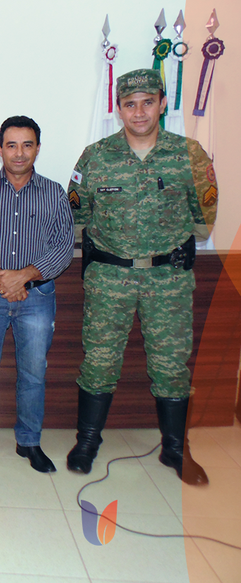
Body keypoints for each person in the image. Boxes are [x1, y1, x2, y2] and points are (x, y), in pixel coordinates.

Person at [66, 69, 218, 485]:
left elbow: (203, 219)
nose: (138, 111)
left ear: (163, 103)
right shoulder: (95, 157)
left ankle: (174, 449)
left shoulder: (190, 155)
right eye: (130, 104)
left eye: (147, 102)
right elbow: (77, 216)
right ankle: (87, 441)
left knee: (171, 365)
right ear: (118, 109)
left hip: (168, 278)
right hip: (109, 277)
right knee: (98, 360)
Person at [0, 116, 74, 473]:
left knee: (34, 374)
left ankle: (29, 443)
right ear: (0, 149)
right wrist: (0, 279)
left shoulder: (54, 193)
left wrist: (22, 278)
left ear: (38, 147)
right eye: (11, 145)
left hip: (36, 299)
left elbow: (63, 247)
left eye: (27, 144)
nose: (19, 153)